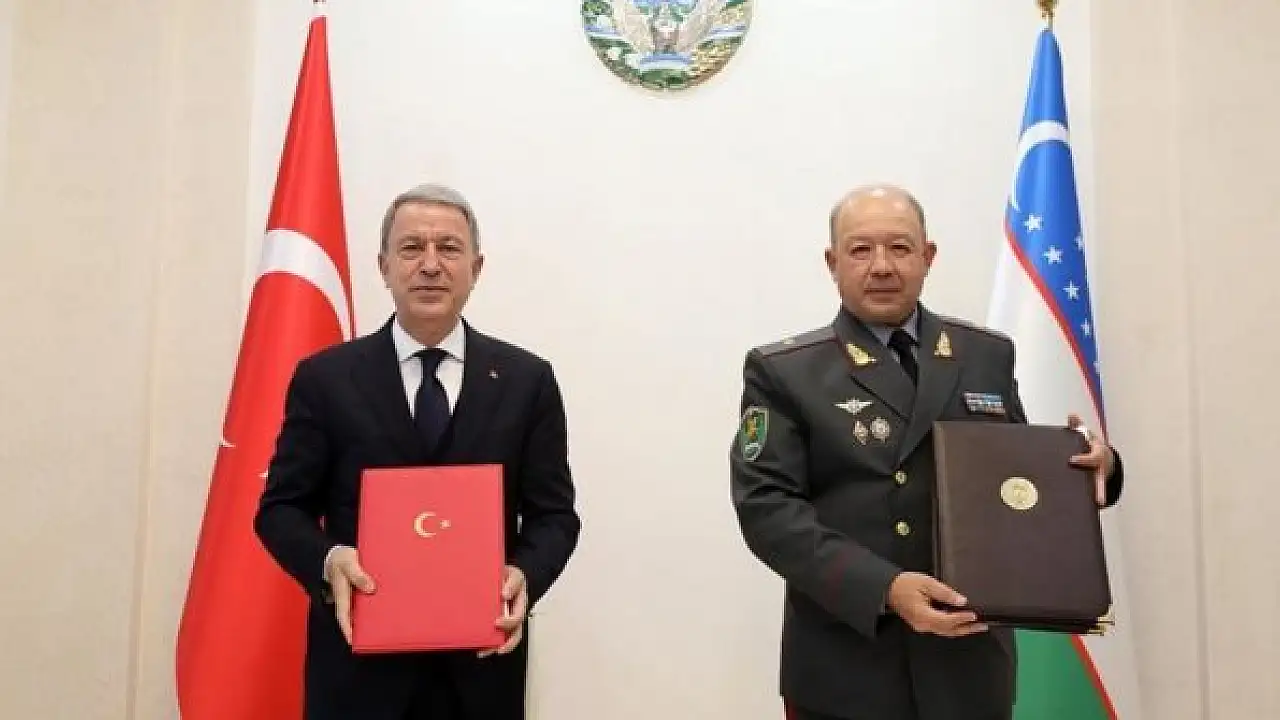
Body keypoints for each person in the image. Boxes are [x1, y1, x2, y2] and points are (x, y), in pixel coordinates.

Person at [728, 185, 1124, 720]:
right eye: (861, 250)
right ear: (832, 262)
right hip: (847, 668)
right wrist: (885, 588)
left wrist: (1092, 470)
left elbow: (1014, 483)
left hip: (968, 667)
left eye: (900, 247)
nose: (882, 266)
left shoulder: (985, 355)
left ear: (928, 256)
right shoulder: (786, 372)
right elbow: (767, 510)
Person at [254, 183, 581, 720]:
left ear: (476, 267)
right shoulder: (325, 379)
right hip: (357, 678)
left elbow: (555, 517)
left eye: (448, 248)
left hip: (481, 677)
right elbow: (281, 509)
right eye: (411, 248)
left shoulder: (527, 381)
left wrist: (525, 573)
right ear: (383, 266)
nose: (430, 265)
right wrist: (329, 560)